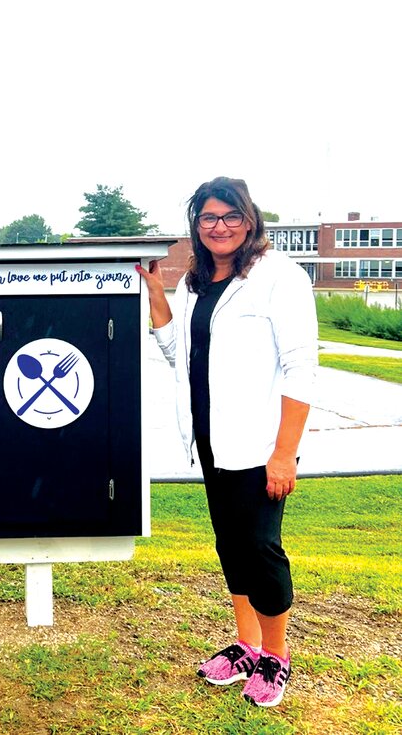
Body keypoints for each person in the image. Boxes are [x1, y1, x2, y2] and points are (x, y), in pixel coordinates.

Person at [137, 177, 317, 709]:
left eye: (231, 216)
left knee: (261, 549)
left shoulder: (280, 278)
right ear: (196, 226)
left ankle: (275, 658)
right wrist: (156, 294)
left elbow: (300, 370)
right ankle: (245, 645)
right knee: (231, 546)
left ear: (250, 219)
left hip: (260, 447)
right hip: (212, 441)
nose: (220, 227)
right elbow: (179, 355)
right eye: (209, 218)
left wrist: (284, 453)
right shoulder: (193, 284)